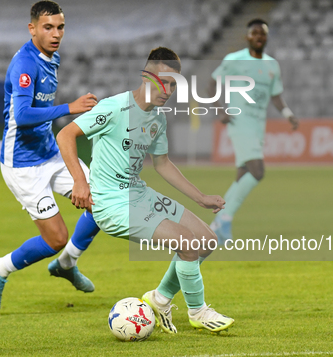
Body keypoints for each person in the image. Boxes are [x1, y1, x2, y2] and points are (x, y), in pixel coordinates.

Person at [57, 47, 234, 333]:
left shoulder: (157, 118)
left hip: (139, 193)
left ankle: (160, 298)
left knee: (206, 240)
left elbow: (162, 164)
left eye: (174, 84)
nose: (168, 90)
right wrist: (79, 181)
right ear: (146, 77)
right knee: (187, 244)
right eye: (164, 81)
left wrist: (200, 197)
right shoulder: (115, 107)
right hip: (112, 203)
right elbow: (65, 134)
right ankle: (198, 311)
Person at [0, 0, 101, 313]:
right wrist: (69, 108)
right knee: (57, 237)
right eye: (48, 27)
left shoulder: (52, 56)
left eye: (60, 27)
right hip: (22, 164)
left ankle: (67, 265)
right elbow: (21, 116)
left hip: (49, 151)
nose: (55, 33)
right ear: (32, 28)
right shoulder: (25, 63)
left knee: (101, 199)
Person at [209, 19, 299, 243]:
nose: (259, 37)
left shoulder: (272, 65)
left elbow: (275, 95)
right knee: (257, 171)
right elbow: (211, 85)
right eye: (255, 33)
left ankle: (217, 223)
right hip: (240, 120)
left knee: (243, 174)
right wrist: (220, 110)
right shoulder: (234, 60)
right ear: (247, 37)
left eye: (263, 34)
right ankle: (226, 218)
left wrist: (288, 113)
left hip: (259, 124)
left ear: (266, 38)